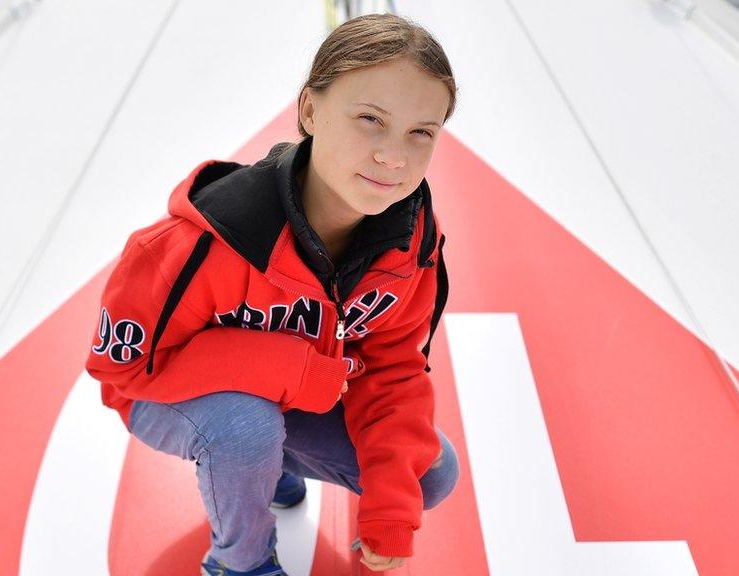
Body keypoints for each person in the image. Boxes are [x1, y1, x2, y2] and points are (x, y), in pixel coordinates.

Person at [85, 13, 460, 575]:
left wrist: (389, 513)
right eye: (369, 120)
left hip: (290, 397)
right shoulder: (197, 243)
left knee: (430, 473)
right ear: (309, 110)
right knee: (244, 426)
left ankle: (271, 462)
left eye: (420, 132)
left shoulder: (410, 245)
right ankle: (239, 563)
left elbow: (393, 372)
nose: (394, 156)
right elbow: (124, 374)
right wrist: (293, 371)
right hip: (161, 393)